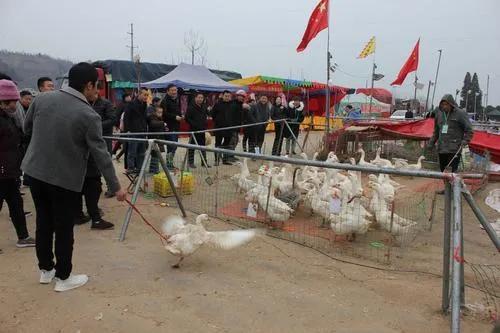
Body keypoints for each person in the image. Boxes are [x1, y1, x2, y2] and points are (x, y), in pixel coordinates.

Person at [22, 62, 126, 291]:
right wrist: (116, 187)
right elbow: (101, 155)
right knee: (63, 228)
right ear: (88, 85)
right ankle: (63, 277)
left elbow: (27, 128)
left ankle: (46, 270)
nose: (96, 91)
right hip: (63, 180)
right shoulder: (88, 115)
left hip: (35, 173)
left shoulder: (41, 99)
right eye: (96, 87)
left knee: (43, 222)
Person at [0, 79, 36, 249]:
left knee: (16, 205)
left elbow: (19, 140)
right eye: (14, 101)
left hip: (11, 171)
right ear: (4, 101)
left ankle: (23, 237)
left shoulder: (9, 117)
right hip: (2, 171)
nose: (16, 104)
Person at [428, 94, 473, 175]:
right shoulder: (439, 114)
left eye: (446, 104)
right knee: (443, 172)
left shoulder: (460, 114)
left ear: (451, 104)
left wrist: (465, 140)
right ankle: (447, 187)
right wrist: (431, 143)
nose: (444, 106)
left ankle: (452, 187)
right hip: (442, 148)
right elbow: (436, 131)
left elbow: (469, 130)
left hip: (454, 148)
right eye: (442, 104)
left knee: (452, 173)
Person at [123, 87, 148, 173]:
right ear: (139, 94)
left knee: (141, 152)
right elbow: (126, 117)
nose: (146, 97)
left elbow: (144, 118)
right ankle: (130, 167)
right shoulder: (131, 104)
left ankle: (139, 168)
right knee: (132, 151)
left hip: (142, 131)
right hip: (133, 131)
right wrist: (128, 130)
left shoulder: (144, 104)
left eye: (147, 95)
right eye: (144, 95)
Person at [185, 92, 210, 168]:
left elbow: (208, 114)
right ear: (195, 98)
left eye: (201, 98)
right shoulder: (191, 107)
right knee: (192, 147)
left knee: (203, 147)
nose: (200, 99)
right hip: (194, 130)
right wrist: (194, 124)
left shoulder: (204, 106)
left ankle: (204, 162)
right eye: (199, 97)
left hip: (202, 130)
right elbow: (187, 118)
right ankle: (191, 162)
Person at [161, 84, 182, 168]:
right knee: (171, 146)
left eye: (175, 90)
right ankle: (169, 164)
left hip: (176, 126)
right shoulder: (165, 101)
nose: (174, 92)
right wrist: (174, 117)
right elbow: (164, 114)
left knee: (174, 146)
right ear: (168, 91)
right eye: (172, 90)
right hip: (169, 127)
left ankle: (169, 163)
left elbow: (177, 111)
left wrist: (180, 115)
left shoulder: (176, 100)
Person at [211, 90, 234, 165]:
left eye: (228, 96)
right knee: (218, 143)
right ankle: (216, 160)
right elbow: (212, 114)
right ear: (222, 96)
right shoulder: (217, 104)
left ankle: (225, 159)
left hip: (229, 128)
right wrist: (218, 121)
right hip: (219, 128)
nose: (227, 98)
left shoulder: (232, 104)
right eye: (226, 96)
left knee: (227, 144)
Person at [227, 90, 248, 161]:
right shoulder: (233, 104)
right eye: (240, 96)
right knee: (233, 141)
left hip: (237, 126)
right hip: (233, 127)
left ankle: (231, 155)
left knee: (235, 141)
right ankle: (229, 156)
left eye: (243, 97)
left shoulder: (240, 105)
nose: (241, 98)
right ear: (237, 96)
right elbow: (231, 116)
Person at [112, 93, 132, 164]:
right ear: (125, 97)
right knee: (125, 142)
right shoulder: (123, 105)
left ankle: (115, 153)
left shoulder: (124, 104)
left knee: (122, 140)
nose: (130, 97)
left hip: (123, 126)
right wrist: (117, 125)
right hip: (123, 126)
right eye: (129, 96)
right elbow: (118, 115)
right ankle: (114, 153)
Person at [147, 105, 167, 174]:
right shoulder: (152, 117)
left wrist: (165, 128)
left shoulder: (159, 118)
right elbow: (153, 124)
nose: (160, 113)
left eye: (161, 112)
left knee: (156, 155)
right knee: (155, 155)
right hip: (154, 139)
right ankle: (154, 170)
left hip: (158, 139)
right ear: (155, 112)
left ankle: (153, 169)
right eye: (159, 112)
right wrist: (163, 124)